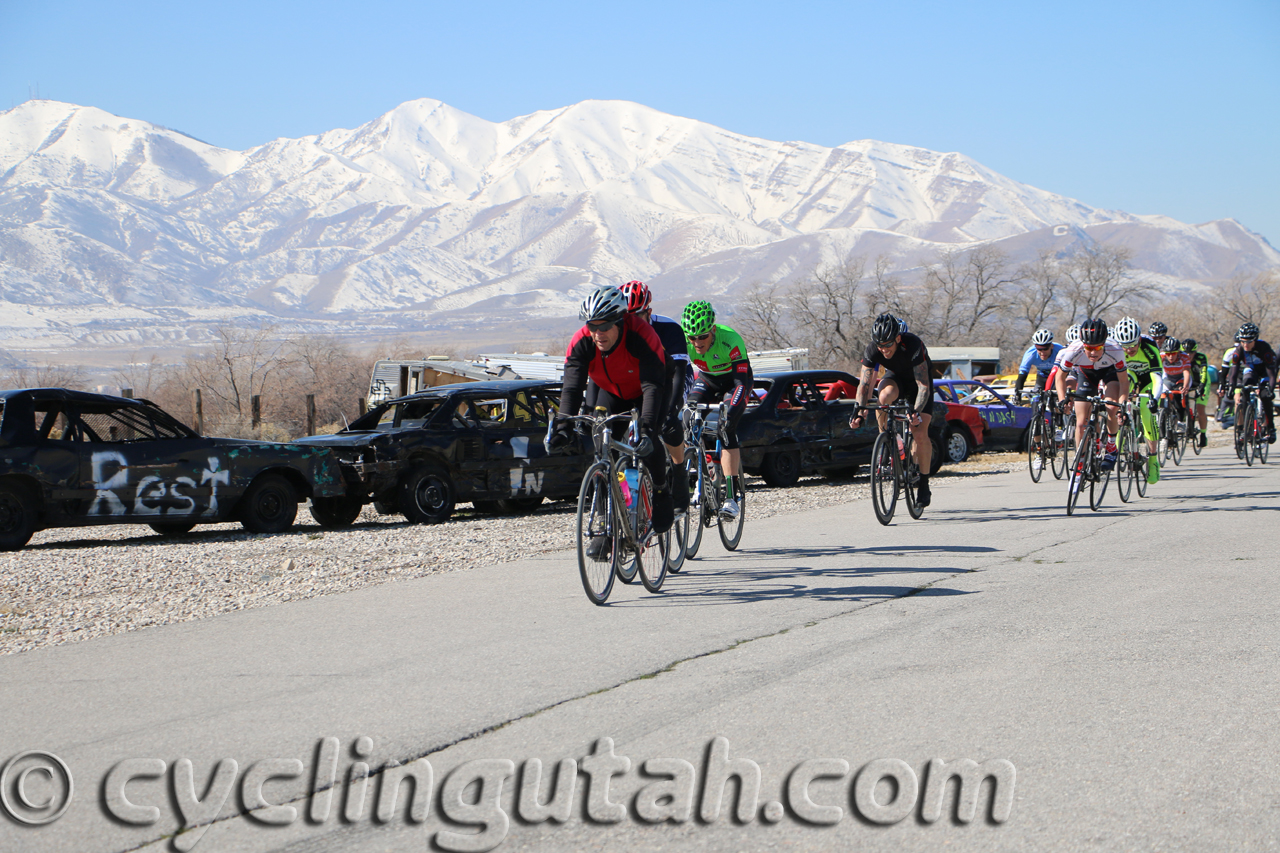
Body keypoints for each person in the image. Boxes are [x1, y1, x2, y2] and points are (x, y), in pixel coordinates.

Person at [550, 286, 674, 547]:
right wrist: (562, 427)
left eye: (604, 326)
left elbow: (653, 387)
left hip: (649, 388)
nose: (598, 333)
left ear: (619, 321)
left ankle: (661, 492)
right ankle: (609, 525)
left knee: (645, 442)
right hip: (612, 391)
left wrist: (649, 430)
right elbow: (572, 387)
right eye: (592, 326)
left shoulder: (641, 334)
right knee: (603, 450)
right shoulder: (582, 340)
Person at [849, 314, 936, 507]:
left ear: (897, 338)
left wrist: (915, 411)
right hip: (896, 379)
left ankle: (923, 482)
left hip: (919, 384)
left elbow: (923, 386)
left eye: (888, 345)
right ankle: (886, 439)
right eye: (880, 346)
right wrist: (859, 410)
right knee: (883, 396)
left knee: (919, 433)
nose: (884, 350)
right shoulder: (873, 349)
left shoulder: (912, 344)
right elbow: (864, 384)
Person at [620, 280, 691, 508]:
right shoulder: (616, 332)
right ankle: (627, 501)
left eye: (636, 316)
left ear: (648, 312)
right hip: (643, 382)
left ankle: (679, 471)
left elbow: (679, 373)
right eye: (624, 317)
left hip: (672, 377)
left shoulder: (669, 329)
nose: (629, 323)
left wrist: (672, 408)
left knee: (669, 422)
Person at [680, 300, 752, 521]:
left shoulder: (730, 339)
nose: (697, 342)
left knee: (726, 426)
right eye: (692, 337)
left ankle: (731, 496)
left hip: (734, 382)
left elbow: (741, 382)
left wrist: (731, 412)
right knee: (687, 417)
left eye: (702, 336)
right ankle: (702, 467)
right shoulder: (684, 342)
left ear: (712, 329)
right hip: (707, 380)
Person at [1054, 318, 1129, 473]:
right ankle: (1080, 461)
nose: (1093, 352)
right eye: (1089, 348)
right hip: (1086, 375)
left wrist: (1122, 404)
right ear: (1083, 343)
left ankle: (1111, 445)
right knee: (1080, 423)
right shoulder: (1073, 350)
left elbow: (1123, 382)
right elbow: (1059, 377)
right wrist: (1062, 400)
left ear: (1104, 344)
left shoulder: (1115, 349)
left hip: (1110, 373)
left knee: (1111, 406)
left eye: (1098, 347)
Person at [1113, 316, 1161, 481]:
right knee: (1119, 407)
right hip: (1129, 378)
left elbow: (1157, 378)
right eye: (1124, 346)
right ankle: (1118, 447)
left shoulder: (1149, 347)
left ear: (1139, 339)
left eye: (1133, 345)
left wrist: (1155, 398)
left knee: (1147, 415)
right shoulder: (1115, 349)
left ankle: (1153, 458)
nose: (1129, 350)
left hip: (1148, 380)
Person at [1223, 322, 1278, 443]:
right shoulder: (1239, 350)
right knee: (1245, 388)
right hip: (1251, 369)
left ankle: (1271, 428)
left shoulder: (1264, 349)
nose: (1245, 344)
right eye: (1242, 341)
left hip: (1265, 371)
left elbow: (1272, 374)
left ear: (1255, 340)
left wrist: (1271, 389)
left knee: (1264, 395)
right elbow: (1234, 371)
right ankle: (1245, 429)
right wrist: (1231, 386)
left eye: (1248, 341)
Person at [1014, 328, 1064, 403]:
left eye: (1045, 348)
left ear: (1051, 346)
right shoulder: (1030, 354)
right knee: (1036, 399)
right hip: (1042, 376)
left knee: (1055, 399)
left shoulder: (1060, 350)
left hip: (1056, 376)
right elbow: (1022, 374)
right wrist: (1017, 393)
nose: (1042, 352)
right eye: (1039, 349)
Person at [1180, 338, 1210, 447]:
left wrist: (1201, 387)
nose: (1188, 355)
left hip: (1202, 381)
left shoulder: (1201, 357)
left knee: (1200, 408)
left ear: (1195, 352)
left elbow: (1204, 372)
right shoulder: (1180, 358)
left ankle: (1203, 434)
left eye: (1191, 353)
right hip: (1188, 382)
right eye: (1185, 353)